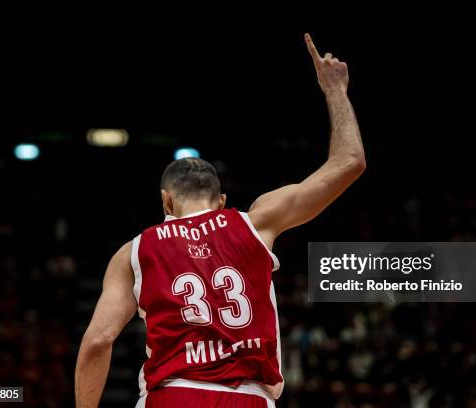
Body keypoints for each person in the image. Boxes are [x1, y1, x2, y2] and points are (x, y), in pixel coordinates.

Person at [75, 33, 366, 408]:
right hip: (250, 398)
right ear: (222, 201)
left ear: (166, 200)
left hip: (172, 395)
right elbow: (350, 163)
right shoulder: (255, 222)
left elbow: (98, 340)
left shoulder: (134, 251)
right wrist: (335, 90)